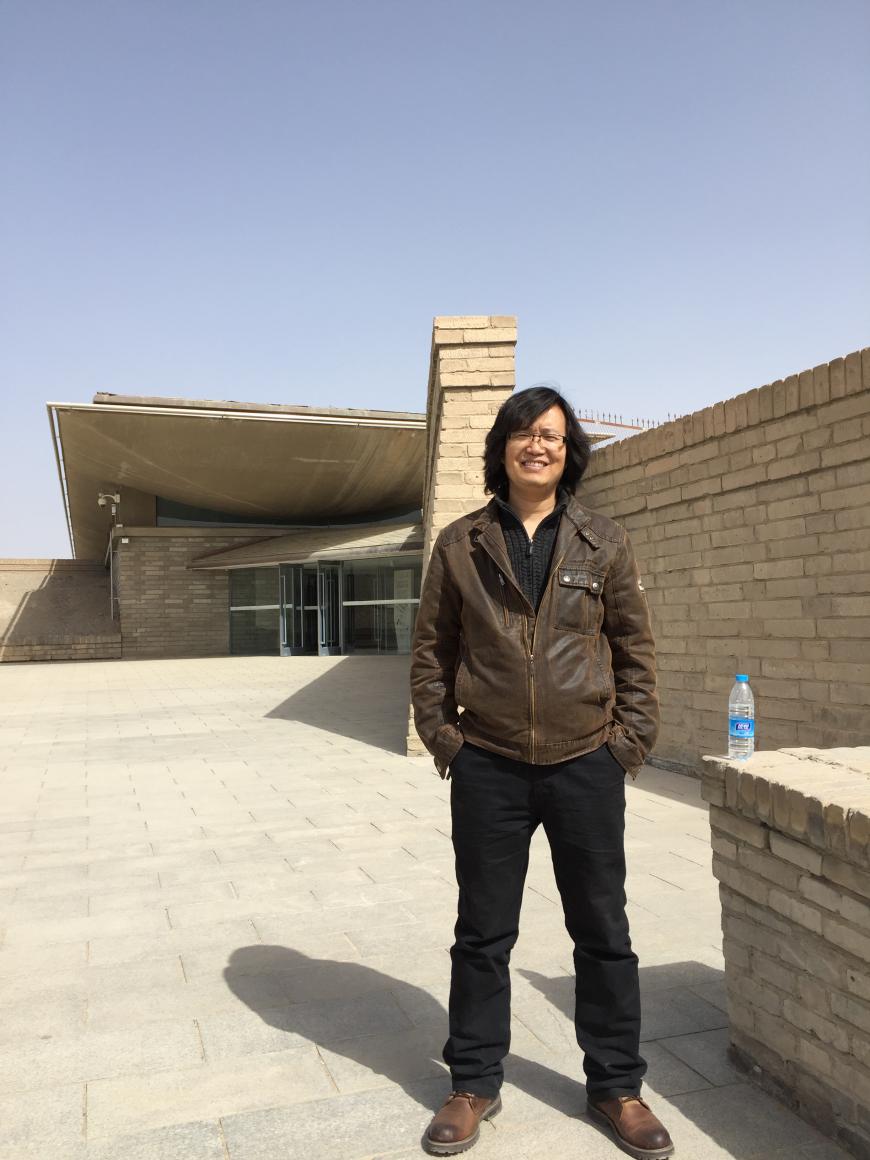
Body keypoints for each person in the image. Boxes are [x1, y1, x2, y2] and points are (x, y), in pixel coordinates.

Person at [410, 385, 674, 1159]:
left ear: (568, 452)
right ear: (503, 447)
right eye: (525, 433)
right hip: (488, 763)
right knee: (482, 933)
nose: (538, 445)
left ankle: (617, 1087)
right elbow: (431, 651)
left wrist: (627, 744)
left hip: (585, 761)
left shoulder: (603, 541)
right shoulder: (461, 544)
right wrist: (447, 740)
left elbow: (635, 650)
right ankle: (472, 1083)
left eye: (552, 436)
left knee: (603, 930)